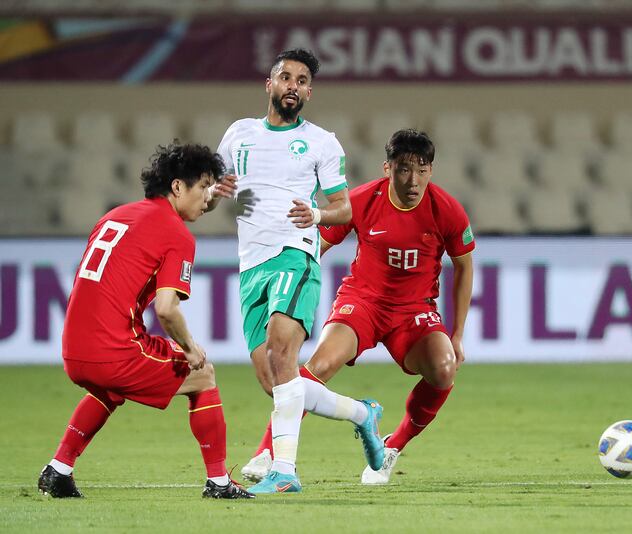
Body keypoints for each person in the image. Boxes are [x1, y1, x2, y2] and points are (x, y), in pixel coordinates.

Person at [243, 128, 475, 485]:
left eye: (422, 169)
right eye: (403, 169)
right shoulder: (363, 200)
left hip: (413, 310)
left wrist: (457, 334)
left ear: (431, 170)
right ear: (387, 168)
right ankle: (268, 450)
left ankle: (390, 447)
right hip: (362, 302)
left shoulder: (446, 210)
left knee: (444, 368)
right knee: (319, 363)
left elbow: (464, 265)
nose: (412, 180)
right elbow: (315, 245)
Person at [207, 48, 384, 494]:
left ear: (309, 91)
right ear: (270, 84)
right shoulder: (238, 135)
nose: (293, 86)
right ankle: (363, 415)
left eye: (302, 80)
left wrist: (318, 217)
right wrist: (215, 190)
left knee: (283, 351)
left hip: (295, 253)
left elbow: (343, 208)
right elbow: (209, 192)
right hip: (251, 265)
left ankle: (284, 472)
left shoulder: (323, 142)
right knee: (275, 380)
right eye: (286, 77)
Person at [38, 143, 254, 500]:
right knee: (203, 375)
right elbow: (167, 310)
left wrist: (211, 194)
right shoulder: (175, 234)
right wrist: (190, 348)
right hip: (113, 350)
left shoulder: (115, 216)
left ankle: (59, 469)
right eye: (203, 187)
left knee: (110, 390)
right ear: (177, 187)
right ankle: (218, 482)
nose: (207, 197)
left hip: (73, 349)